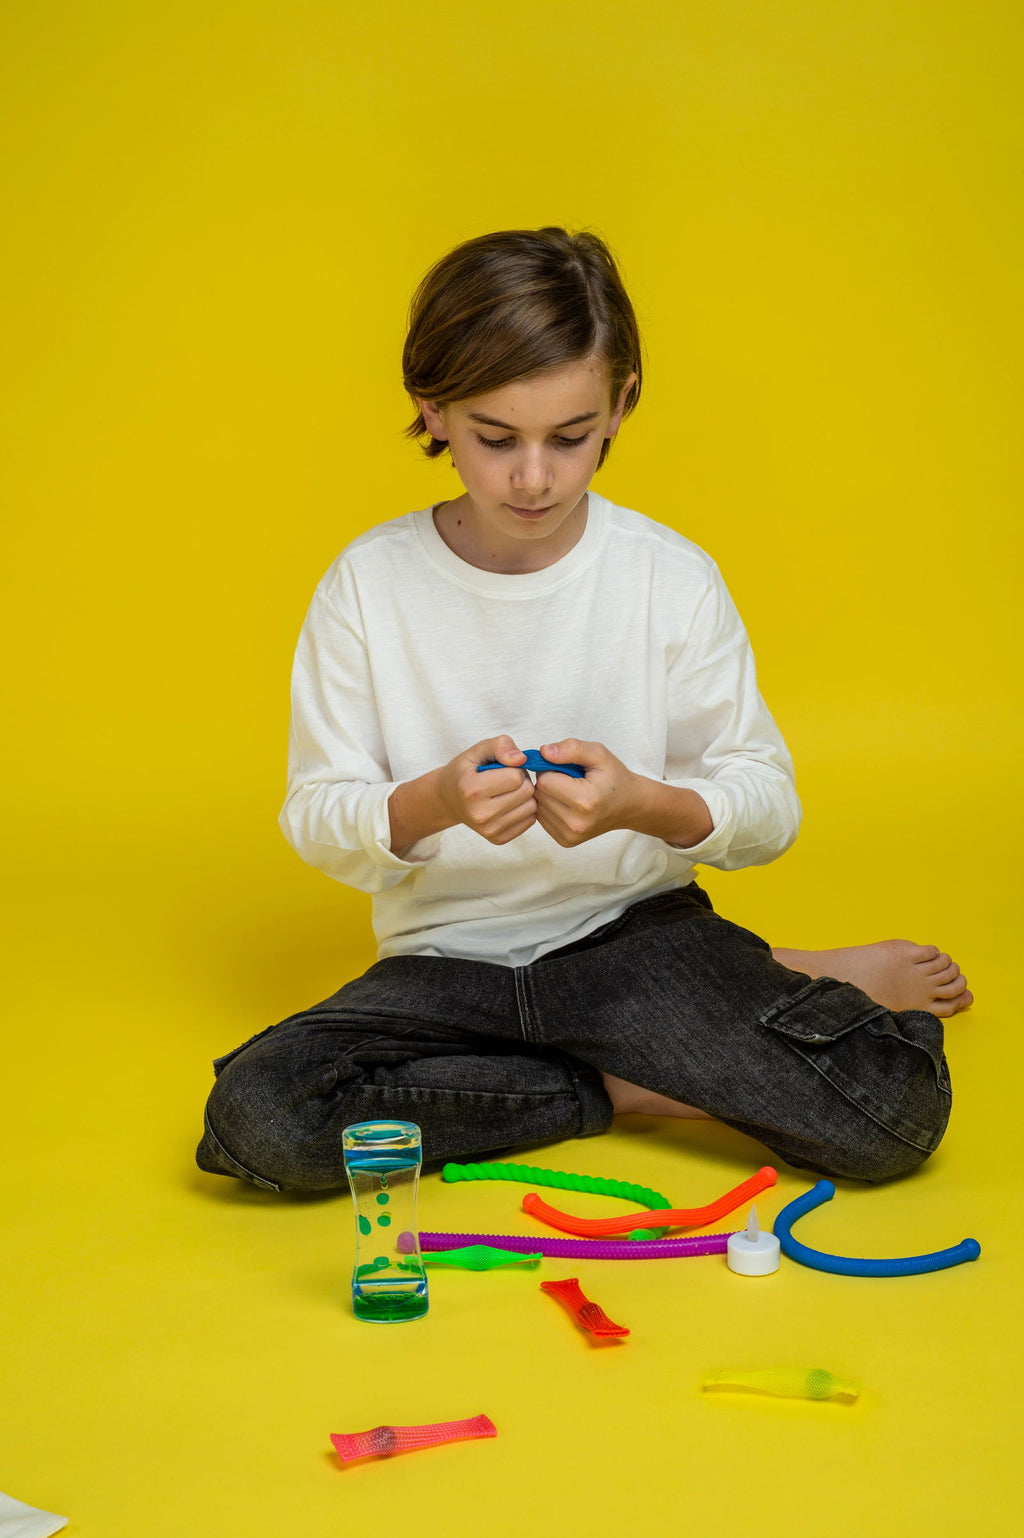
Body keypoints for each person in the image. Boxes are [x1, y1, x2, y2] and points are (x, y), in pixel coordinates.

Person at [196, 226, 971, 1195]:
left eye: (569, 437)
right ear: (431, 410)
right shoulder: (367, 582)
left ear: (620, 405)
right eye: (494, 437)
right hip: (445, 963)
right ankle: (625, 1077)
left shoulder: (666, 575)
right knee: (262, 1116)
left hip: (633, 939)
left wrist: (641, 803)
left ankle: (708, 1007)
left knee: (888, 1114)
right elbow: (317, 812)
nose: (534, 477)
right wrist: (431, 799)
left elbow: (765, 800)